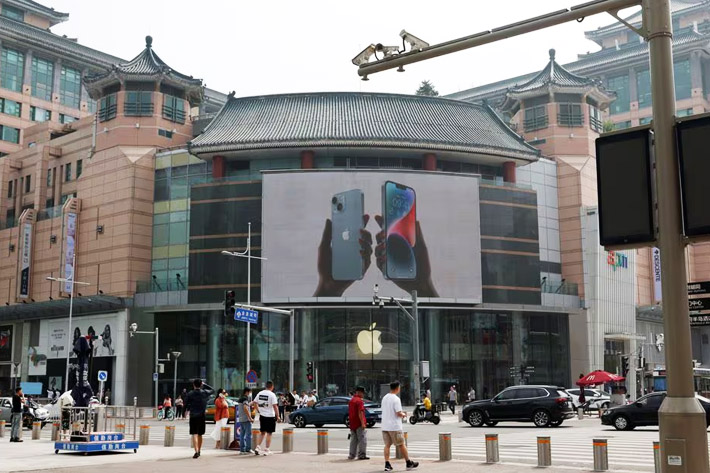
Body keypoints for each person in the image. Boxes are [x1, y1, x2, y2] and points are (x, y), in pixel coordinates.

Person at [381, 381, 418, 471]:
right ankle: (408, 462)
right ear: (397, 388)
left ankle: (387, 464)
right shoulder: (396, 399)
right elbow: (398, 413)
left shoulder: (384, 398)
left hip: (385, 425)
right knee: (401, 444)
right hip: (394, 426)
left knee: (387, 445)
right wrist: (404, 415)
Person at [185, 379, 214, 459]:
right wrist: (204, 384)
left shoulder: (190, 393)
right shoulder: (204, 393)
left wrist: (184, 412)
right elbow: (213, 390)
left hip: (193, 415)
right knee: (200, 434)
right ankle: (199, 450)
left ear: (193, 385)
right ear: (201, 384)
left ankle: (196, 451)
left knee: (194, 433)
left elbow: (185, 403)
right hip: (202, 416)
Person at [254, 380, 279, 455]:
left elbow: (255, 402)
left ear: (265, 386)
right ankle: (267, 449)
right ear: (272, 387)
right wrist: (277, 416)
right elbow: (275, 406)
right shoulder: (272, 395)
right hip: (270, 416)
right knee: (269, 433)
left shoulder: (260, 393)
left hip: (262, 415)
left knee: (262, 432)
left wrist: (259, 411)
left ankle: (257, 447)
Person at [348, 386, 369, 460]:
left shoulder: (351, 400)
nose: (363, 395)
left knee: (353, 440)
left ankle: (352, 455)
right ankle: (362, 455)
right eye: (363, 393)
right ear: (359, 392)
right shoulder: (359, 401)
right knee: (362, 439)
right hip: (359, 423)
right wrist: (363, 423)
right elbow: (360, 412)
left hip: (352, 423)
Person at [237, 387, 254, 455]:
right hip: (246, 419)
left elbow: (245, 406)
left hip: (241, 419)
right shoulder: (245, 398)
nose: (250, 393)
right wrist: (250, 418)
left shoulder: (241, 398)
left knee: (242, 435)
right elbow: (245, 408)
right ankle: (248, 449)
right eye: (250, 392)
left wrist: (250, 404)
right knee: (248, 435)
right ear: (247, 392)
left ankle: (242, 449)